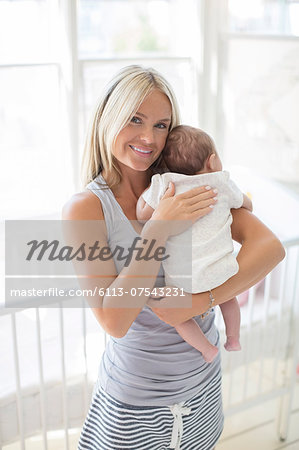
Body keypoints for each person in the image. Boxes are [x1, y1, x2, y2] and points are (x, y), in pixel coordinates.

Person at [62, 65, 285, 450]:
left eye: (162, 125)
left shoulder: (185, 180)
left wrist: (203, 301)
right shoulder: (86, 209)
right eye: (135, 119)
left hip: (203, 386)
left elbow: (270, 249)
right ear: (107, 118)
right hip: (136, 403)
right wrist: (158, 228)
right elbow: (114, 320)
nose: (149, 138)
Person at [136, 125, 252, 363]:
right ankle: (233, 337)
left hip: (184, 279)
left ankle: (206, 349)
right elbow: (246, 205)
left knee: (177, 317)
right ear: (212, 161)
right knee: (228, 300)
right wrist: (238, 203)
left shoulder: (165, 182)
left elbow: (142, 215)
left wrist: (148, 194)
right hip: (220, 270)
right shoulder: (220, 181)